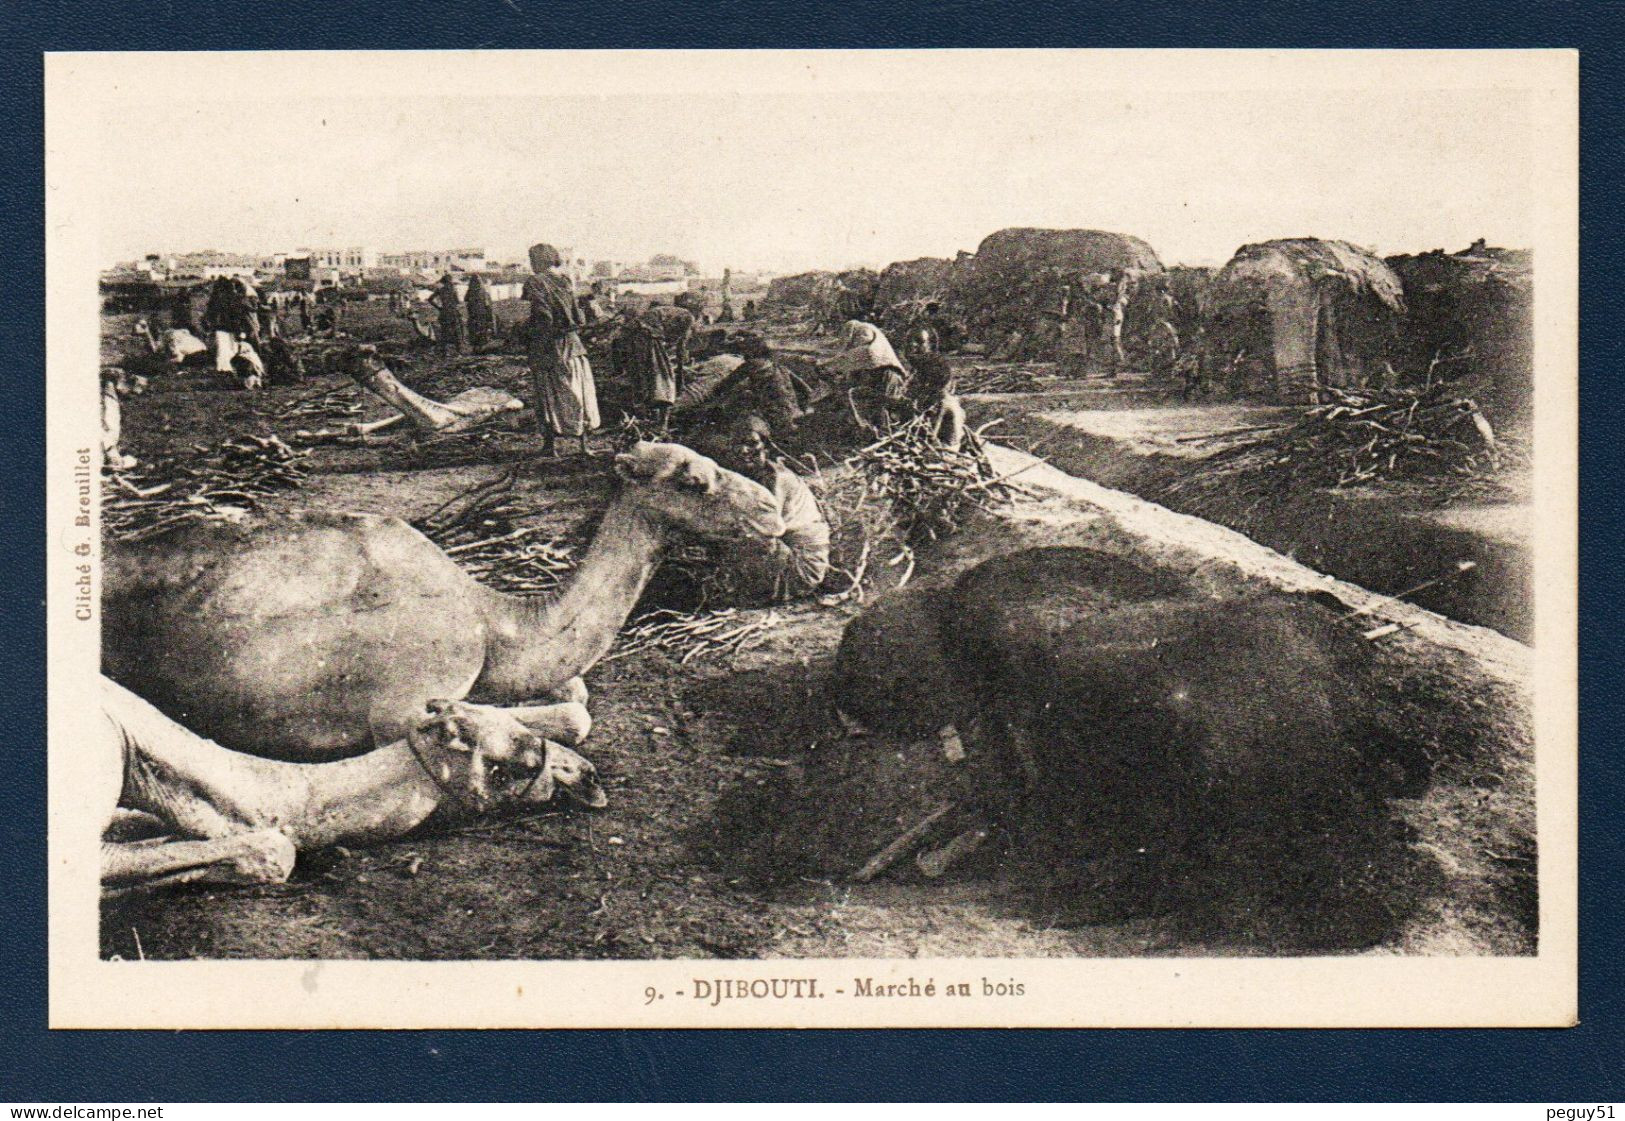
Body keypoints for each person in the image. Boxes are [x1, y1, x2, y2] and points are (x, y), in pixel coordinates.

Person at [713, 416, 830, 604]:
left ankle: (754, 593)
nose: (743, 450)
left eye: (751, 444)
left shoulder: (778, 479)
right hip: (783, 549)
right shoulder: (750, 475)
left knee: (743, 539)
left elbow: (766, 529)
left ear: (765, 447)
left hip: (801, 563)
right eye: (737, 444)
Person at [523, 242, 600, 457]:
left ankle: (551, 447)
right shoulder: (566, 280)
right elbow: (579, 317)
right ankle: (584, 446)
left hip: (549, 347)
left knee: (548, 396)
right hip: (574, 346)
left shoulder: (535, 282)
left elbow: (542, 316)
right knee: (580, 394)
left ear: (538, 261)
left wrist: (528, 332)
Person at [693, 332, 802, 441]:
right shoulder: (778, 366)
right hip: (791, 410)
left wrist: (708, 399)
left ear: (751, 350)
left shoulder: (753, 364)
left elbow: (727, 383)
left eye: (745, 349)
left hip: (774, 412)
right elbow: (804, 389)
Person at [827, 319, 910, 434]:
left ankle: (883, 431)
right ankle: (875, 430)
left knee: (882, 404)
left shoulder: (865, 330)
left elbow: (860, 354)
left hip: (887, 373)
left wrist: (832, 364)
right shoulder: (866, 332)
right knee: (873, 403)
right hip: (878, 373)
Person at [607, 308, 679, 434]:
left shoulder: (647, 337)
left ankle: (662, 424)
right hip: (641, 362)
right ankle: (654, 420)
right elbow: (618, 351)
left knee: (660, 389)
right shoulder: (628, 335)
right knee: (648, 390)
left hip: (651, 362)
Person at [431, 273, 468, 354]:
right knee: (457, 331)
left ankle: (444, 351)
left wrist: (438, 307)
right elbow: (457, 302)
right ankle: (459, 350)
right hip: (453, 312)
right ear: (450, 282)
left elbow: (430, 299)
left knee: (444, 332)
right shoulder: (453, 290)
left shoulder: (440, 290)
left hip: (444, 312)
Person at [464, 274, 496, 351]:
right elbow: (488, 305)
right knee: (481, 330)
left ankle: (476, 347)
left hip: (473, 315)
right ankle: (480, 347)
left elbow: (466, 301)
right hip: (481, 314)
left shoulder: (469, 292)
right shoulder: (484, 292)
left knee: (475, 330)